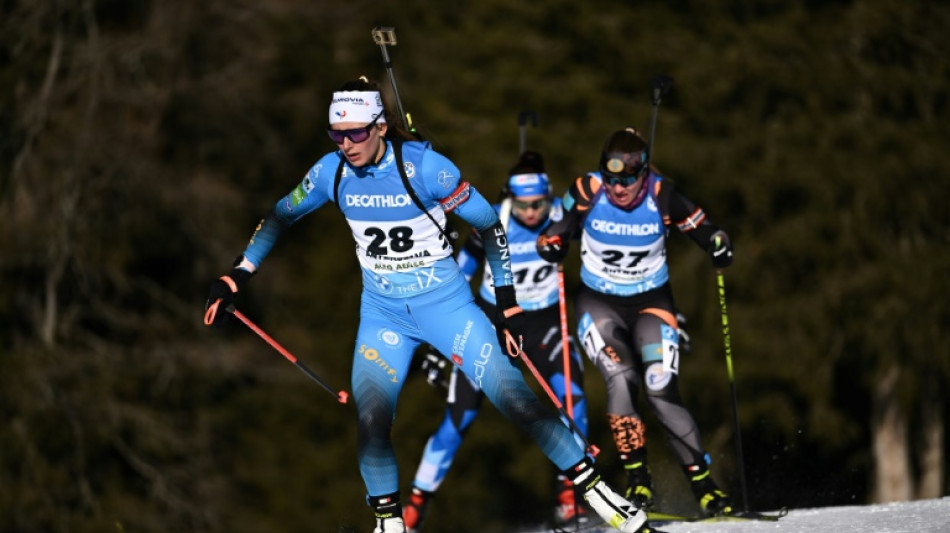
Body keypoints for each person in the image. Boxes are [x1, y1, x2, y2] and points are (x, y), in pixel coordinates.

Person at [204, 78, 652, 533]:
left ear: (380, 127)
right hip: (383, 317)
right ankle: (389, 524)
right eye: (336, 134)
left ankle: (601, 495)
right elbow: (279, 216)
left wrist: (507, 305)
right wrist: (236, 275)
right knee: (372, 420)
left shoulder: (426, 168)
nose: (346, 144)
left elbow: (489, 226)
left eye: (356, 133)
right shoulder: (329, 173)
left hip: (448, 310)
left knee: (514, 399)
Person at [536, 127, 735, 517]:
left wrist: (719, 244)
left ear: (643, 174)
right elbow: (555, 231)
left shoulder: (663, 195)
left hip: (651, 304)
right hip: (599, 304)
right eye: (610, 179)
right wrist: (551, 244)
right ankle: (638, 481)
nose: (617, 188)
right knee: (621, 377)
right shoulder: (587, 190)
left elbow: (707, 231)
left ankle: (704, 486)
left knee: (660, 388)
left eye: (626, 180)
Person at [402, 151, 591, 531]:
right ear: (510, 198)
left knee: (573, 400)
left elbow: (594, 191)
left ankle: (569, 496)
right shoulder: (491, 219)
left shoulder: (560, 213)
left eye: (538, 204)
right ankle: (415, 505)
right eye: (523, 205)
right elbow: (458, 275)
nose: (532, 213)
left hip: (543, 323)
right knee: (459, 416)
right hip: (491, 323)